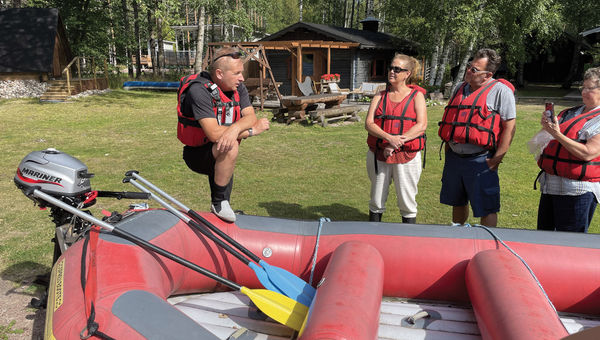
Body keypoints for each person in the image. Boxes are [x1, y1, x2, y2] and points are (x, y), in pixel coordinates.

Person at [177, 47, 270, 222]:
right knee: (230, 145)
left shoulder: (238, 88)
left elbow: (250, 116)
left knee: (229, 143)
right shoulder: (198, 91)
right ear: (219, 74)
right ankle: (219, 202)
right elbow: (213, 133)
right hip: (197, 154)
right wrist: (251, 131)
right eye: (236, 73)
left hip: (221, 150)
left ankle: (221, 207)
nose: (242, 78)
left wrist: (235, 130)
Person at [438, 48, 516, 227]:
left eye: (474, 69)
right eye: (468, 66)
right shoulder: (459, 88)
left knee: (487, 207)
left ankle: (487, 247)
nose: (468, 71)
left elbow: (510, 129)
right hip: (455, 159)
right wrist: (450, 149)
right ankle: (458, 239)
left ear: (488, 75)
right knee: (457, 202)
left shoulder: (501, 92)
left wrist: (496, 160)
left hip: (481, 159)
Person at [536, 67, 600, 232]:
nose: (584, 92)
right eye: (583, 87)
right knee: (543, 240)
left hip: (577, 191)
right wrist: (546, 129)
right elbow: (541, 143)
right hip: (551, 186)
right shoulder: (569, 113)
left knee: (570, 244)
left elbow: (588, 153)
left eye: (589, 88)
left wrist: (557, 134)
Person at [365, 53, 427, 223]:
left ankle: (408, 239)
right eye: (391, 68)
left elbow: (421, 125)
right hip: (378, 154)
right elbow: (369, 123)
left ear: (407, 73)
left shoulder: (417, 96)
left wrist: (396, 143)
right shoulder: (380, 96)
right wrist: (388, 138)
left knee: (407, 201)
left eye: (397, 69)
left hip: (406, 156)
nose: (392, 71)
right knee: (376, 199)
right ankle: (374, 235)